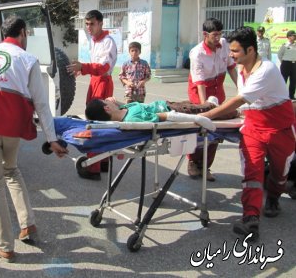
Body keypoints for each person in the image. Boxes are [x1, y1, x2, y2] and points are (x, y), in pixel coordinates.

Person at [0, 16, 68, 263]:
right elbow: (42, 105)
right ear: (23, 33)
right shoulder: (28, 60)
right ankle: (27, 224)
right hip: (12, 130)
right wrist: (52, 139)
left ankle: (5, 244)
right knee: (12, 171)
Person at [200, 27, 295, 242]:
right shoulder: (242, 71)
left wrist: (207, 115)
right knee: (252, 172)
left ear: (250, 49)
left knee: (280, 173)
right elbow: (245, 106)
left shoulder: (267, 70)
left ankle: (273, 197)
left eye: (235, 51)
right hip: (253, 129)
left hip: (280, 130)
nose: (231, 55)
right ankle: (251, 217)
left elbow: (240, 100)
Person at [66, 10, 117, 179]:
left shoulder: (107, 41)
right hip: (96, 81)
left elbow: (103, 68)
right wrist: (83, 70)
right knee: (100, 123)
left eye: (92, 24)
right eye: (86, 24)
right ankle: (103, 163)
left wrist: (84, 67)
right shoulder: (94, 40)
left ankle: (93, 168)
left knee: (96, 125)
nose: (89, 27)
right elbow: (96, 65)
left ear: (101, 23)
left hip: (102, 83)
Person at [187, 18, 237, 182]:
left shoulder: (224, 45)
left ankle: (206, 166)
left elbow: (231, 68)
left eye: (220, 34)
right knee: (198, 127)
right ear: (205, 35)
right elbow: (200, 83)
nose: (218, 38)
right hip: (199, 92)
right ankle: (193, 162)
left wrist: (241, 90)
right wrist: (205, 108)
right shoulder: (197, 53)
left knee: (215, 129)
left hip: (218, 89)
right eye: (214, 35)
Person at [85, 97, 236, 130]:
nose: (109, 100)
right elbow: (166, 116)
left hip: (168, 103)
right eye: (106, 101)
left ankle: (212, 104)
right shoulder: (132, 118)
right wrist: (198, 119)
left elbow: (122, 106)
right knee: (216, 111)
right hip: (175, 110)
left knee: (196, 103)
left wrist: (115, 102)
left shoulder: (124, 109)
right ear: (106, 109)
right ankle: (234, 110)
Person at [277, 29, 296, 100]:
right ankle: (282, 96)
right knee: (283, 80)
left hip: (294, 64)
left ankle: (291, 96)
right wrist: (284, 62)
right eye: (293, 36)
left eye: (294, 36)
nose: (294, 37)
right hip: (286, 64)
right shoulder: (285, 45)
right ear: (288, 37)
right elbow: (279, 55)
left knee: (293, 81)